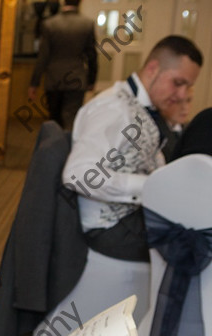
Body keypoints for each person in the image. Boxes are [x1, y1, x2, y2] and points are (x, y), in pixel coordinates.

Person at [63, 35, 203, 261]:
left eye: (189, 87)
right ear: (153, 68)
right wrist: (150, 186)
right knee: (198, 246)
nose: (182, 96)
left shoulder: (139, 106)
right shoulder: (114, 108)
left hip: (132, 217)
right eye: (178, 83)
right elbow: (78, 175)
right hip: (108, 228)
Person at [28, 0, 98, 130]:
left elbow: (43, 57)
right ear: (79, 2)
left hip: (54, 79)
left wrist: (34, 83)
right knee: (71, 118)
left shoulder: (49, 24)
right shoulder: (87, 24)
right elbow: (92, 55)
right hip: (77, 78)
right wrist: (91, 80)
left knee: (54, 119)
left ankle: (55, 147)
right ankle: (69, 147)